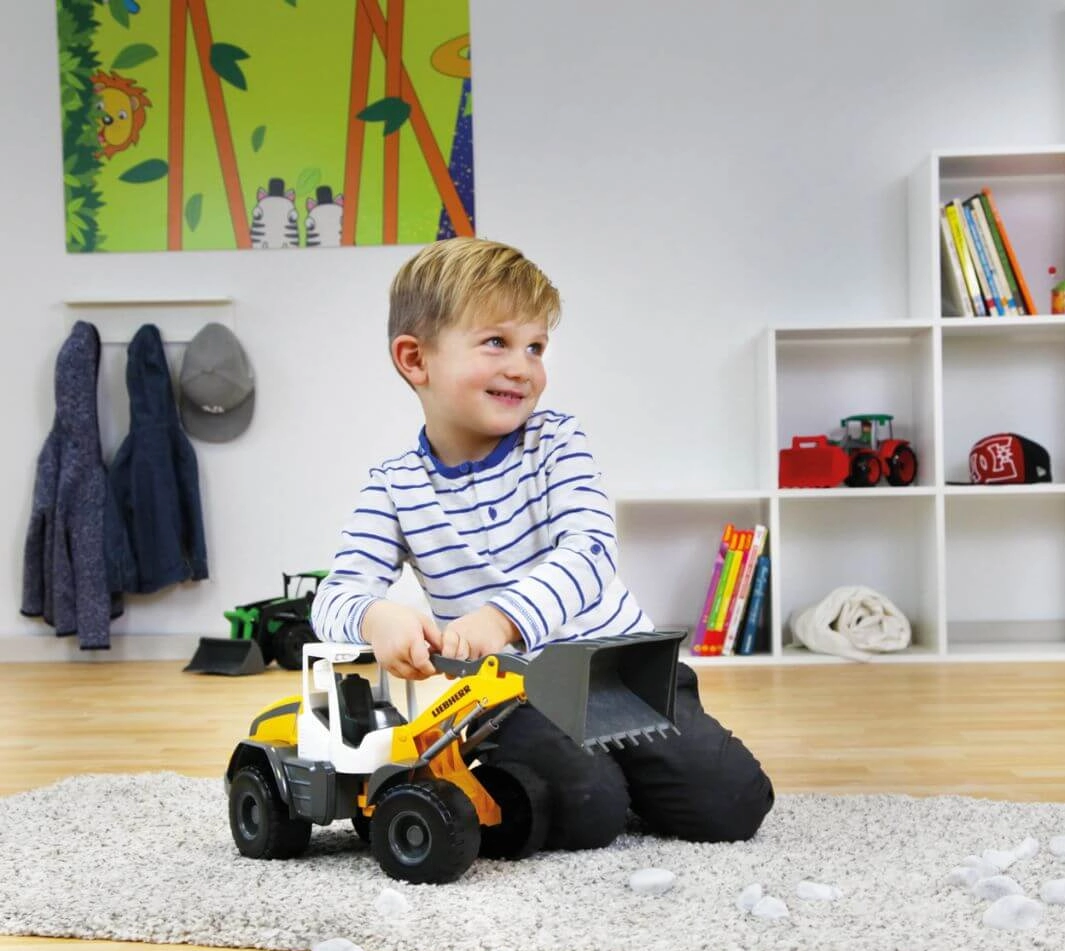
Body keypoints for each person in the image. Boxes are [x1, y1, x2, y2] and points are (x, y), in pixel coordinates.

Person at [311, 237, 773, 851]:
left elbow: (589, 552)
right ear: (415, 359)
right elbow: (335, 593)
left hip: (619, 672)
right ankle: (546, 786)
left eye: (535, 347)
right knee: (589, 810)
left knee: (733, 801)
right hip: (513, 696)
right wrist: (377, 617)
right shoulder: (394, 485)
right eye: (496, 342)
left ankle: (616, 776)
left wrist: (501, 619)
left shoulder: (557, 442)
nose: (522, 367)